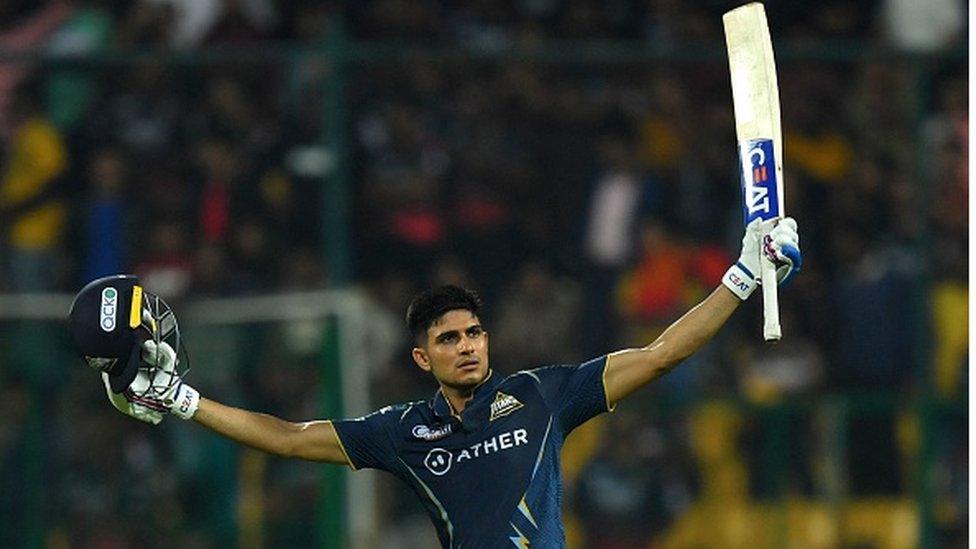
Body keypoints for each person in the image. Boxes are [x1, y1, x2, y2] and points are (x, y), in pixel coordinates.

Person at [68, 217, 800, 548]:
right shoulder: (403, 431)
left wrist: (739, 277)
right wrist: (183, 399)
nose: (467, 346)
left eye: (474, 332)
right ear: (423, 357)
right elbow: (289, 439)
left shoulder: (546, 394)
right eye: (448, 338)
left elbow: (664, 351)